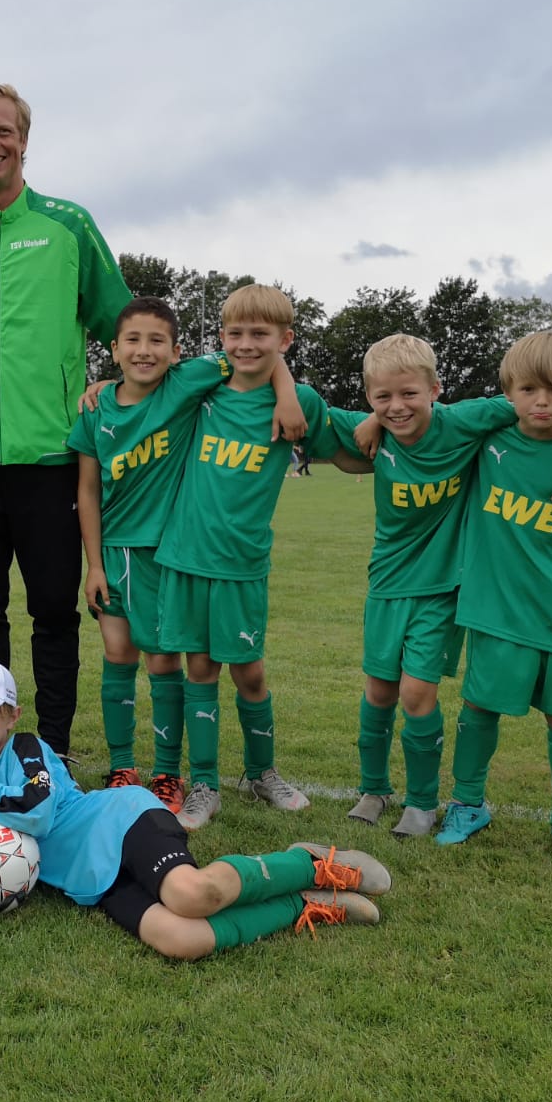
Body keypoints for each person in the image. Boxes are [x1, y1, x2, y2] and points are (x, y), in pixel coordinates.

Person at [0, 659, 390, 961]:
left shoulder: (26, 748)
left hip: (121, 822)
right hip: (91, 881)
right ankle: (304, 903)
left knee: (194, 895)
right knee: (181, 939)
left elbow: (35, 813)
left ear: (13, 715)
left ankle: (313, 862)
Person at [0, 82, 134, 757]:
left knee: (53, 615)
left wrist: (110, 381)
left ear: (24, 139)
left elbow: (125, 326)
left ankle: (57, 749)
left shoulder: (68, 225)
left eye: (2, 131)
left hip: (49, 462)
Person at [329, 335, 552, 839]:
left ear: (436, 389)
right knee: (377, 691)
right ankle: (373, 789)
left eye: (409, 394)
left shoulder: (467, 422)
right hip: (387, 583)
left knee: (417, 694)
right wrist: (369, 419)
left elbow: (546, 399)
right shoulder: (370, 426)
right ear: (368, 398)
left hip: (443, 588)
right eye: (383, 398)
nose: (398, 407)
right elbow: (314, 422)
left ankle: (421, 803)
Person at [68, 297, 302, 809]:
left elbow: (257, 351)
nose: (144, 351)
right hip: (112, 554)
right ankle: (122, 766)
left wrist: (286, 393)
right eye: (132, 340)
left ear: (177, 352)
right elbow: (87, 490)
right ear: (112, 350)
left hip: (169, 553)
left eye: (157, 342)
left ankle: (169, 772)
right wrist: (94, 565)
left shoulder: (188, 385)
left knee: (163, 661)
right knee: (117, 654)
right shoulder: (95, 408)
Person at [154, 285, 370, 830]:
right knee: (199, 669)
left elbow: (349, 453)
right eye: (235, 334)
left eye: (260, 335)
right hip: (185, 556)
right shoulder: (202, 389)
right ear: (221, 338)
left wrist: (382, 429)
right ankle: (203, 784)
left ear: (286, 339)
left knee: (250, 675)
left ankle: (261, 771)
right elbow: (144, 374)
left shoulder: (303, 404)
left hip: (243, 564)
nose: (246, 344)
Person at [434, 331, 552, 868]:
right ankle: (468, 804)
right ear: (509, 391)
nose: (542, 401)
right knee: (479, 707)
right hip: (495, 606)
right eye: (529, 389)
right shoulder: (486, 439)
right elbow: (432, 417)